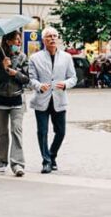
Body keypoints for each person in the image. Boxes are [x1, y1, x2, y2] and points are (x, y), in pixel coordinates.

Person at [28, 27, 77, 174]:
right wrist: (39, 85)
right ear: (43, 40)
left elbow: (73, 77)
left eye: (55, 36)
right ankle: (46, 161)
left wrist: (66, 84)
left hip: (59, 99)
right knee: (42, 132)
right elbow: (31, 79)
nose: (52, 38)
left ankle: (52, 155)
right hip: (41, 100)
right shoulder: (35, 58)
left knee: (61, 132)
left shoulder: (67, 57)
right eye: (49, 36)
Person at [0, 30, 30, 177]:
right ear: (8, 41)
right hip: (0, 99)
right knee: (2, 132)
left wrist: (15, 73)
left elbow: (27, 79)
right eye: (16, 40)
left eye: (19, 40)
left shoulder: (23, 57)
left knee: (17, 130)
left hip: (17, 99)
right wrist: (3, 67)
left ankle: (17, 164)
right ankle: (0, 161)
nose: (19, 43)